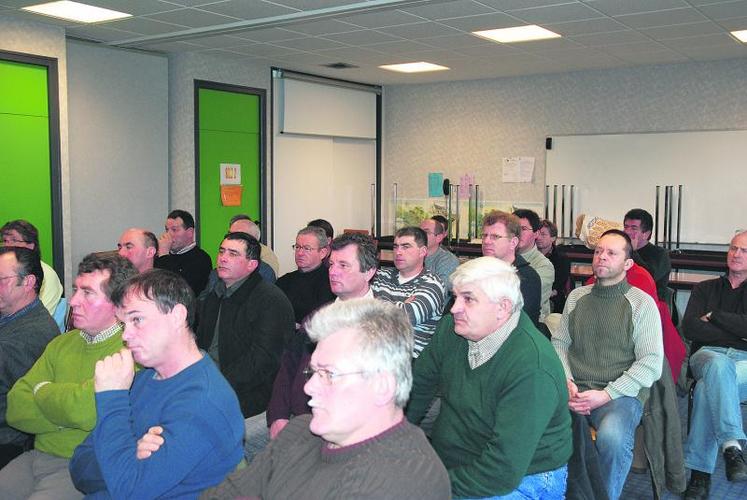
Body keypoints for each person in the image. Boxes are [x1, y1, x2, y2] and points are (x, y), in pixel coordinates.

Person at [200, 299, 451, 499]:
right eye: (313, 371)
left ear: (382, 386)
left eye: (329, 374)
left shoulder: (405, 479)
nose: (309, 387)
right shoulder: (299, 431)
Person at [69, 269, 244, 498]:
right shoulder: (142, 378)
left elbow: (128, 490)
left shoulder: (203, 401)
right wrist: (131, 454)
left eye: (137, 320)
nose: (125, 335)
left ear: (177, 316)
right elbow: (78, 467)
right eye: (124, 324)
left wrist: (111, 398)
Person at [408, 257, 572, 498]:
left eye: (468, 299)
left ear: (502, 307)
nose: (454, 308)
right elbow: (416, 390)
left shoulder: (532, 367)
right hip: (459, 461)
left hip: (524, 475)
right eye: (455, 297)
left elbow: (501, 471)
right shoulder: (451, 330)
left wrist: (430, 487)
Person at [0, 254, 136, 500]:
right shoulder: (62, 344)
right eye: (75, 289)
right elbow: (16, 407)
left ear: (119, 302)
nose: (73, 301)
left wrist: (42, 391)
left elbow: (84, 411)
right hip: (36, 457)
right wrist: (66, 412)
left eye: (88, 293)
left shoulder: (132, 349)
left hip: (83, 465)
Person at [551, 230, 663, 500]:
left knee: (611, 439)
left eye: (611, 253)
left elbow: (651, 363)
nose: (601, 257)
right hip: (574, 390)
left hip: (619, 394)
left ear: (627, 264)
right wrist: (567, 382)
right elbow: (560, 344)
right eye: (598, 251)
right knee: (535, 424)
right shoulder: (578, 297)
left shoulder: (641, 304)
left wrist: (605, 394)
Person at [258, 233, 379, 453]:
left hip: (338, 432)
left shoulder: (380, 326)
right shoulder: (318, 316)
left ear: (369, 272)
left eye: (343, 265)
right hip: (296, 417)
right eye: (332, 264)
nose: (333, 271)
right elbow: (288, 366)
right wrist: (278, 416)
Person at [196, 232, 294, 418]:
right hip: (208, 384)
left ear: (252, 265)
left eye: (233, 254)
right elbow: (202, 344)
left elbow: (263, 360)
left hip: (250, 395)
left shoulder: (270, 300)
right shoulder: (214, 295)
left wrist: (218, 383)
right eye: (222, 251)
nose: (223, 258)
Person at [681, 230, 747, 500]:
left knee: (708, 388)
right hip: (706, 355)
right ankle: (732, 445)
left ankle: (700, 477)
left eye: (744, 251)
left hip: (744, 363)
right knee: (718, 365)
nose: (736, 254)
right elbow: (691, 328)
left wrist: (715, 316)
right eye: (733, 248)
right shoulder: (704, 288)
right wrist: (736, 331)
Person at [0, 248, 58, 468]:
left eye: (1, 279)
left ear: (28, 282)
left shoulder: (33, 333)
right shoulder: (10, 316)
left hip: (9, 442)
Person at [371, 226, 446, 357]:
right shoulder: (381, 275)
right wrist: (401, 305)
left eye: (406, 247)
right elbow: (358, 308)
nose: (398, 252)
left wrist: (376, 305)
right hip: (374, 353)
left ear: (423, 251)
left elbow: (403, 317)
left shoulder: (433, 284)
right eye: (395, 247)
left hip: (409, 361)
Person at [481, 210, 541, 325]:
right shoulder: (476, 272)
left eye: (495, 236)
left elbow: (518, 324)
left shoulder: (527, 278)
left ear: (513, 242)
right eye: (484, 235)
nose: (486, 241)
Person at [276, 226, 335, 326]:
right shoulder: (283, 282)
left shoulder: (332, 282)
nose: (300, 253)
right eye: (297, 247)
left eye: (307, 248)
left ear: (322, 253)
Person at [1, 219, 63, 314]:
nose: (6, 245)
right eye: (5, 240)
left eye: (14, 240)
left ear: (30, 246)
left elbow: (39, 316)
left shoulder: (47, 275)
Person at [154, 209, 212, 296]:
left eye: (174, 230)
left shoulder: (201, 258)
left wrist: (164, 256)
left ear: (190, 232)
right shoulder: (162, 254)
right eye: (167, 230)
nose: (168, 235)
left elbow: (180, 290)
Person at [514, 209, 555, 321]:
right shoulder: (502, 258)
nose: (518, 233)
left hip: (529, 324)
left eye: (523, 229)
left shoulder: (544, 266)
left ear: (536, 234)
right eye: (514, 228)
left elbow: (523, 300)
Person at [623, 208, 671, 301]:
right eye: (626, 227)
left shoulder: (660, 254)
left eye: (633, 228)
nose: (627, 232)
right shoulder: (621, 251)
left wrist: (633, 251)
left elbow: (648, 277)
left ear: (646, 234)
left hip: (651, 303)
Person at [536, 219, 571, 314]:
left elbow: (556, 288)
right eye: (537, 233)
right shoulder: (530, 255)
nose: (538, 237)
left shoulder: (562, 259)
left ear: (553, 238)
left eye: (543, 234)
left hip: (552, 299)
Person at [420, 217, 459, 292]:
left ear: (439, 238)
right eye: (418, 232)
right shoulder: (412, 256)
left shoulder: (449, 260)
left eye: (425, 232)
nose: (418, 236)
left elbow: (439, 291)